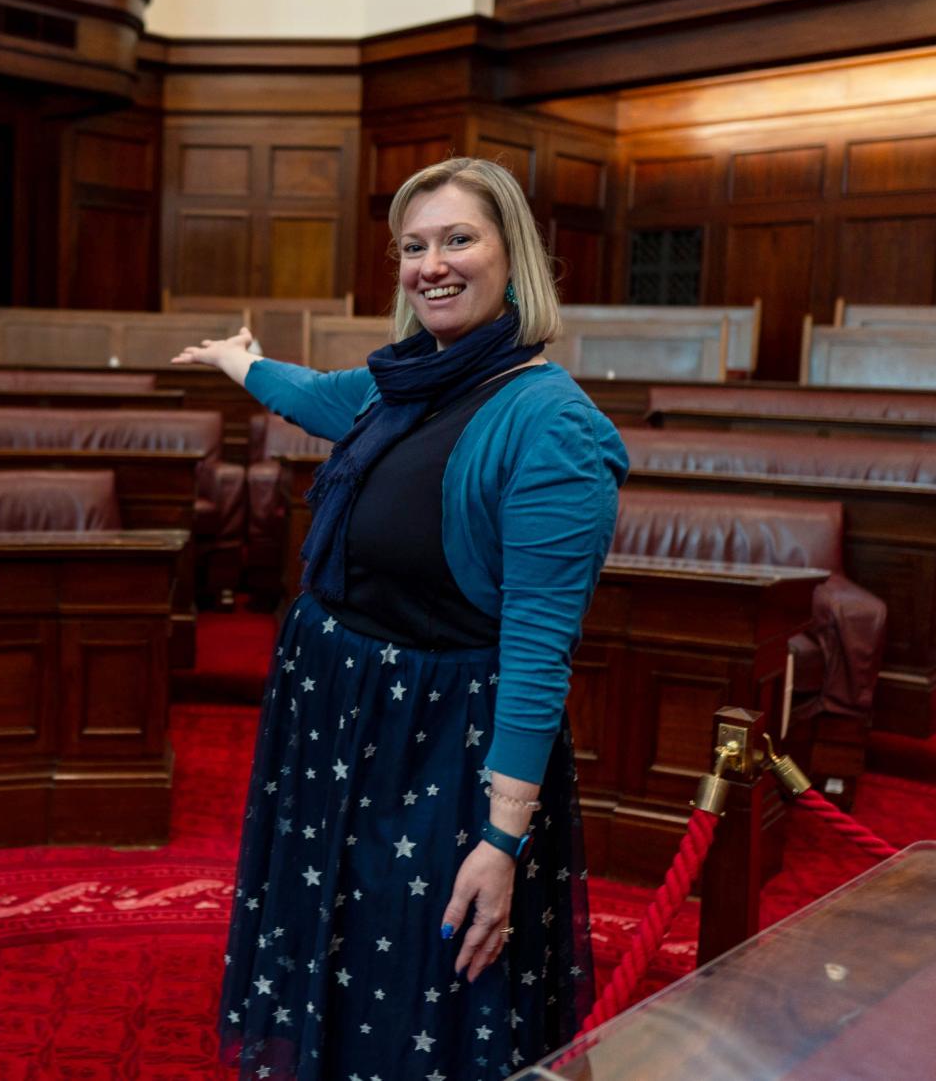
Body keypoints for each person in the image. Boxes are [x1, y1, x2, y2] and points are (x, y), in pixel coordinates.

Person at [174, 157, 627, 1081]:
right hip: (341, 715)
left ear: (515, 259)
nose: (432, 263)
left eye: (459, 238)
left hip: (438, 743)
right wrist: (241, 362)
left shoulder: (554, 426)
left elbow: (538, 654)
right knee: (341, 936)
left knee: (423, 967)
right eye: (413, 246)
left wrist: (501, 841)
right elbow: (313, 397)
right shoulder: (402, 384)